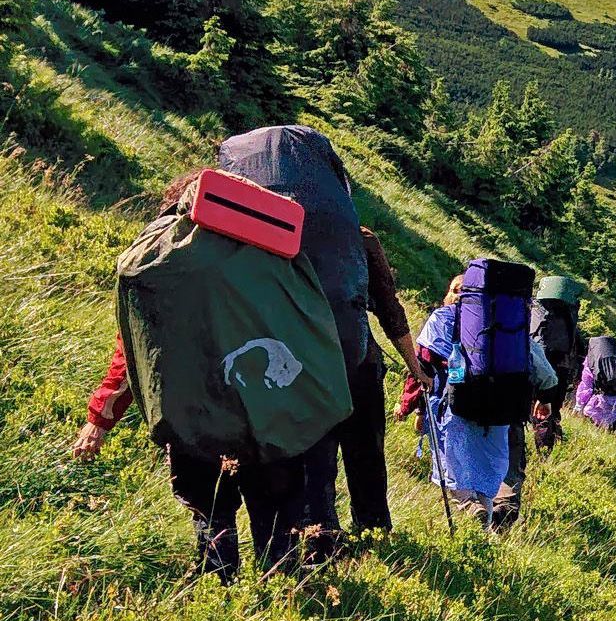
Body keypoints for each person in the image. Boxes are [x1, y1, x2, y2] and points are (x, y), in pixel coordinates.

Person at [72, 170, 305, 583]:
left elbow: (136, 350)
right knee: (270, 501)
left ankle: (220, 583)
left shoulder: (170, 266)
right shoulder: (271, 260)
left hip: (199, 411)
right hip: (267, 408)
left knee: (210, 505)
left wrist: (100, 418)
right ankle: (284, 586)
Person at [300, 227, 430, 559]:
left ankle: (321, 538)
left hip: (309, 361)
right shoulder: (361, 238)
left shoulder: (293, 229)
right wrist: (415, 368)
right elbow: (389, 308)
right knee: (366, 454)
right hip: (361, 361)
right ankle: (374, 531)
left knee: (317, 456)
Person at [410, 275, 511, 527]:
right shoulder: (497, 321)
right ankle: (484, 528)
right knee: (481, 470)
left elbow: (423, 363)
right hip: (492, 406)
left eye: (461, 291)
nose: (457, 295)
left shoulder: (441, 319)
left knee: (450, 464)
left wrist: (413, 407)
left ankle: (469, 506)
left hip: (450, 404)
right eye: (455, 290)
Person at [491, 277, 583, 530]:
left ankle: (475, 508)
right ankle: (503, 513)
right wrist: (546, 398)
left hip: (473, 402)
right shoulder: (564, 324)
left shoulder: (530, 320)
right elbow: (551, 372)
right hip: (527, 396)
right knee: (512, 460)